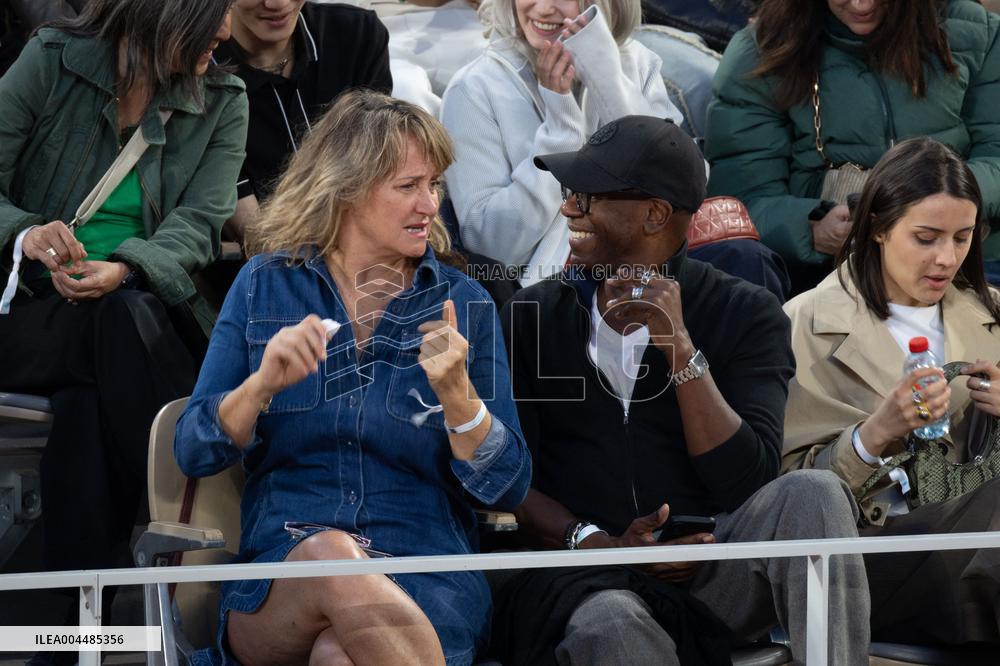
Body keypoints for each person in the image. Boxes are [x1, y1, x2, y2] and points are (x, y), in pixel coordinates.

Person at [174, 90, 531, 666]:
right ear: (345, 188)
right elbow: (192, 448)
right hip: (284, 575)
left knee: (341, 656)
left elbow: (509, 486)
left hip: (426, 578)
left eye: (435, 185)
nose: (430, 205)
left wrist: (459, 400)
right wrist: (259, 386)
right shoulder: (265, 285)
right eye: (408, 186)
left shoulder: (463, 303)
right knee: (331, 558)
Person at [499, 114, 870, 665]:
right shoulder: (532, 314)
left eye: (587, 195)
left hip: (712, 565)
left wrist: (679, 349)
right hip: (588, 573)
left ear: (653, 215)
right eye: (569, 193)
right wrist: (597, 541)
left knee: (814, 494)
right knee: (613, 621)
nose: (568, 208)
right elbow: (509, 479)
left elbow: (747, 479)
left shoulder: (747, 312)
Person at [0, 0, 246, 648]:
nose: (227, 29)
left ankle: (71, 635)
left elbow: (199, 222)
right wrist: (26, 235)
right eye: (215, 12)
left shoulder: (224, 96)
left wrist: (128, 267)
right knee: (115, 329)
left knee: (88, 403)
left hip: (137, 307)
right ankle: (208, 493)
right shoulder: (51, 62)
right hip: (26, 311)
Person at [782, 137, 1000, 646]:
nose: (947, 258)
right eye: (926, 238)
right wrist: (876, 433)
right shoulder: (801, 323)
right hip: (871, 559)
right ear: (878, 228)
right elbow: (787, 498)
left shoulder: (992, 310)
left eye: (963, 238)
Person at [705, 0, 1000, 293]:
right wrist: (810, 229)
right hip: (826, 275)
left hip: (971, 259)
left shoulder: (976, 33)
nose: (861, 4)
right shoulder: (760, 52)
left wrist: (933, 206)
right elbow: (741, 197)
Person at [213, 0, 392, 241]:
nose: (278, 3)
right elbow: (240, 208)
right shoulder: (198, 63)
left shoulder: (357, 35)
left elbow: (374, 167)